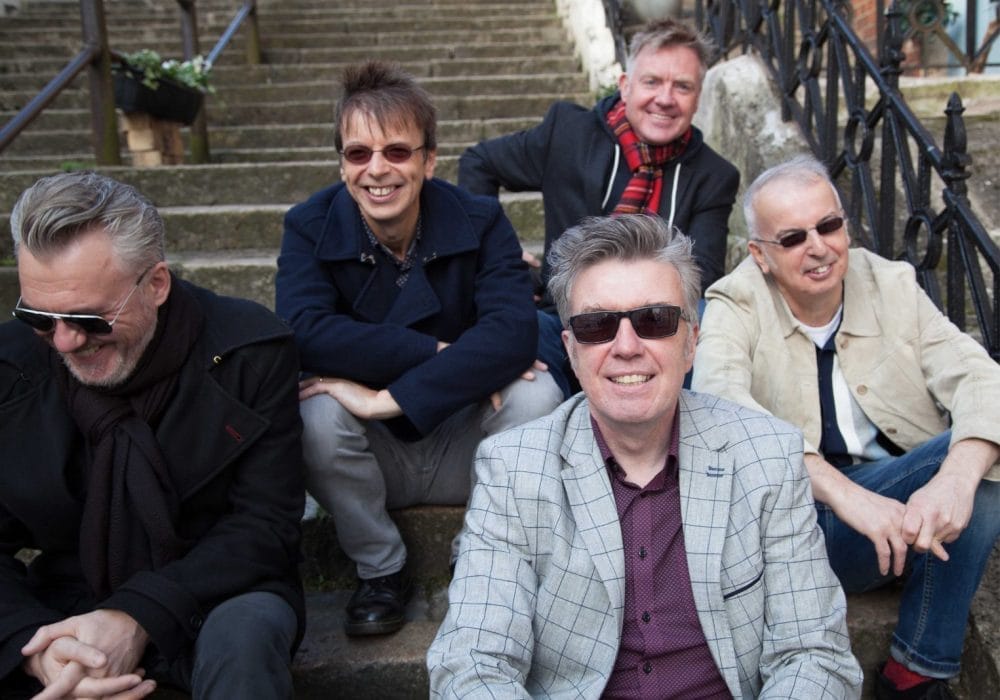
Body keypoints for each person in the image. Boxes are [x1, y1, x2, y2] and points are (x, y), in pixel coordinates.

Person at [428, 214, 862, 698]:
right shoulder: (513, 470)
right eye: (597, 326)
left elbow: (813, 654)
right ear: (570, 350)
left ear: (692, 342)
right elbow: (473, 664)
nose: (627, 347)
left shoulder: (766, 455)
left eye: (654, 320)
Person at [692, 155, 1000, 700]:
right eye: (792, 238)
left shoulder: (892, 283)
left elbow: (980, 376)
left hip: (906, 516)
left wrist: (954, 479)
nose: (818, 247)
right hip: (800, 529)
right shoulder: (734, 301)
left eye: (829, 226)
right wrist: (844, 494)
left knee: (981, 453)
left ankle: (915, 673)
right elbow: (719, 403)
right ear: (760, 255)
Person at [275, 61, 562, 638]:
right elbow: (303, 330)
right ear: (341, 164)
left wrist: (387, 396)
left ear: (429, 160)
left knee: (539, 393)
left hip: (466, 439)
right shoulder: (308, 225)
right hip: (375, 459)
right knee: (314, 412)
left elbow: (513, 333)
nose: (376, 170)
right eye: (358, 154)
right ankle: (380, 568)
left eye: (397, 152)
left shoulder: (479, 219)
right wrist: (444, 352)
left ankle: (480, 555)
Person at [0, 172, 306, 699]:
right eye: (39, 316)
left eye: (89, 319)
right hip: (62, 603)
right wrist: (37, 650)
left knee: (246, 643)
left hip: (215, 592)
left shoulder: (248, 353)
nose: (65, 341)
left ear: (156, 284)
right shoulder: (12, 365)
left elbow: (265, 526)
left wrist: (135, 616)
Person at [459, 19, 740, 396]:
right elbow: (480, 162)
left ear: (698, 96)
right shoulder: (569, 133)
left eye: (683, 86)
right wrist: (497, 256)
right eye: (652, 81)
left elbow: (702, 275)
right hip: (563, 318)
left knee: (704, 320)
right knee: (513, 343)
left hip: (654, 327)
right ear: (625, 86)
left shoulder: (713, 176)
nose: (666, 98)